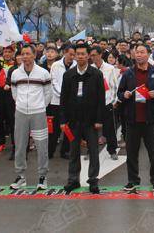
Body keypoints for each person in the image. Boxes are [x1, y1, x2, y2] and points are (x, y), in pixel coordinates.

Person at [117, 44, 154, 193]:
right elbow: (119, 93)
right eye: (136, 52)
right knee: (131, 153)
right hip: (132, 120)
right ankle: (133, 180)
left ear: (148, 54)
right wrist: (124, 95)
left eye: (142, 52)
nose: (138, 55)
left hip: (151, 120)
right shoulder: (128, 74)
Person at [60, 44, 105, 194]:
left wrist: (99, 119)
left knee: (93, 150)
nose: (80, 56)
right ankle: (73, 180)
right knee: (73, 151)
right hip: (73, 121)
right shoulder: (68, 75)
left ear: (88, 56)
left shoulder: (96, 74)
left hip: (91, 120)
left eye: (82, 54)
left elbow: (101, 99)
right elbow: (63, 99)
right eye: (77, 54)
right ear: (74, 56)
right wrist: (63, 120)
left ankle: (93, 180)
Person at [10, 44, 52, 190]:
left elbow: (48, 93)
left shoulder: (43, 73)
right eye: (23, 54)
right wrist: (21, 105)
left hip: (38, 113)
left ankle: (42, 176)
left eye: (28, 53)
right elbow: (14, 94)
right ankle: (20, 176)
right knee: (20, 145)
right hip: (21, 113)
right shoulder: (15, 73)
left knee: (42, 146)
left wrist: (40, 106)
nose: (25, 56)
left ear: (34, 55)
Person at [90, 45, 119, 160]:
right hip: (92, 104)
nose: (93, 58)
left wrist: (114, 101)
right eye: (91, 56)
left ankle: (112, 150)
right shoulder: (89, 68)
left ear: (101, 55)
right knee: (91, 129)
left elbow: (114, 86)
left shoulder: (109, 68)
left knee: (110, 128)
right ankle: (91, 150)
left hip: (107, 102)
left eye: (95, 55)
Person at [49, 45, 75, 159]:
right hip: (56, 102)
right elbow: (54, 82)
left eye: (74, 55)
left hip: (71, 103)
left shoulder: (75, 65)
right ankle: (50, 151)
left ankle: (65, 151)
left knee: (69, 128)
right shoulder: (55, 65)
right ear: (64, 53)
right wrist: (63, 95)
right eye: (70, 54)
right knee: (54, 129)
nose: (72, 57)